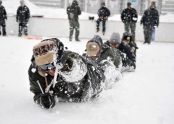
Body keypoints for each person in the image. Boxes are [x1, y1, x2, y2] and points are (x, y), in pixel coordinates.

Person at [28, 38, 104, 109]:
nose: (50, 69)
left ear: (59, 59)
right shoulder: (35, 72)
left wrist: (66, 67)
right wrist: (42, 100)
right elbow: (37, 93)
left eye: (53, 64)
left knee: (104, 67)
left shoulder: (71, 58)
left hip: (95, 78)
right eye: (45, 66)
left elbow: (80, 70)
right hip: (73, 94)